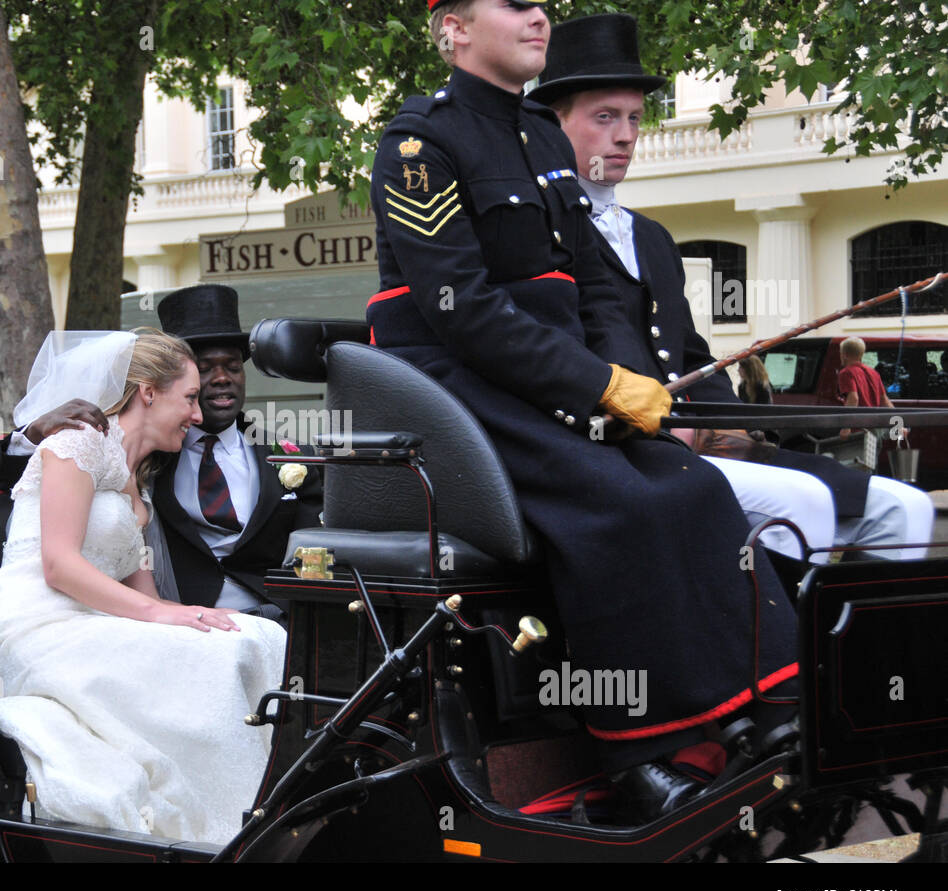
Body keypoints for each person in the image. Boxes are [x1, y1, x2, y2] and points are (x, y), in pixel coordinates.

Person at [367, 0, 798, 823]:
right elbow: (464, 311)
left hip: (554, 379)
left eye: (542, 6)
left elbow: (595, 287)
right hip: (464, 385)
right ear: (453, 27)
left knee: (695, 484)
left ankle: (755, 711)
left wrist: (629, 382)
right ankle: (638, 753)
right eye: (516, 4)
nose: (539, 17)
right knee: (622, 505)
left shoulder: (539, 134)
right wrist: (596, 386)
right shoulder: (418, 144)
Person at [528, 12, 933, 562]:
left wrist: (733, 422)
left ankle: (863, 646)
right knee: (805, 505)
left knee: (905, 508)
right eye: (604, 117)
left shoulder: (651, 237)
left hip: (700, 441)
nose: (624, 135)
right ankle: (787, 646)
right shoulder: (539, 230)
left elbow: (690, 352)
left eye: (634, 117)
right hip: (623, 454)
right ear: (553, 126)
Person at [0, 329, 286, 842]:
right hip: (35, 620)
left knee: (254, 637)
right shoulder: (77, 444)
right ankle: (218, 828)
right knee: (219, 660)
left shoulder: (133, 480)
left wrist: (186, 616)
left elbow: (149, 595)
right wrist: (164, 616)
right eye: (188, 398)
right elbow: (60, 565)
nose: (198, 414)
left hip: (93, 619)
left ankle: (261, 817)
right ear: (147, 393)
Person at [0, 284, 322, 619]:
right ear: (157, 387)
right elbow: (29, 484)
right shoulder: (144, 452)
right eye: (205, 370)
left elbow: (317, 545)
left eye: (233, 366)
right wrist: (35, 431)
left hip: (274, 612)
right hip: (132, 612)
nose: (222, 378)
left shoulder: (288, 454)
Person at [838, 336, 895, 409]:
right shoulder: (874, 373)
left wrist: (846, 419)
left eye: (840, 353)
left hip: (859, 419)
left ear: (844, 355)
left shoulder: (846, 373)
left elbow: (853, 398)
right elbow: (884, 400)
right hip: (874, 418)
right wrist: (896, 418)